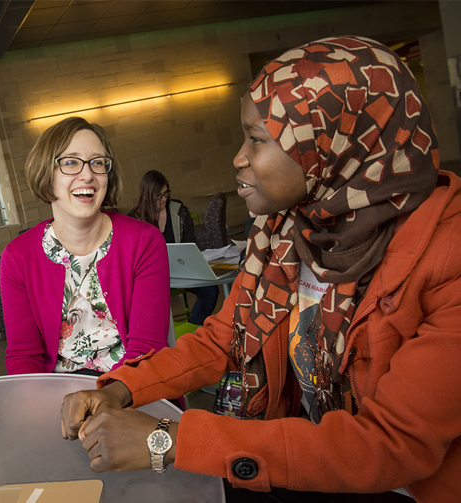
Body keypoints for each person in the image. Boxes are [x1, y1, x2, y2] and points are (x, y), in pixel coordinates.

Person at [60, 36, 461, 502]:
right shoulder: (288, 231)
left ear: (328, 144)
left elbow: (389, 445)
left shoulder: (447, 256)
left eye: (257, 139)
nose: (239, 158)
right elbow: (224, 339)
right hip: (304, 466)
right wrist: (123, 388)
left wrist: (169, 438)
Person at [1, 116, 170, 376]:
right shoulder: (17, 257)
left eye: (98, 163)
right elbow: (25, 357)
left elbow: (147, 349)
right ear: (46, 173)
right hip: (57, 396)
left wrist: (108, 402)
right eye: (70, 162)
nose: (88, 175)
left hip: (133, 389)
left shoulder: (144, 241)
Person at [128, 170, 220, 325]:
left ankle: (193, 329)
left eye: (166, 194)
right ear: (147, 196)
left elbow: (190, 245)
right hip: (153, 276)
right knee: (148, 304)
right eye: (159, 196)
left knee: (211, 290)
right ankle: (161, 339)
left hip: (182, 272)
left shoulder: (179, 212)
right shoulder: (134, 220)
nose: (164, 199)